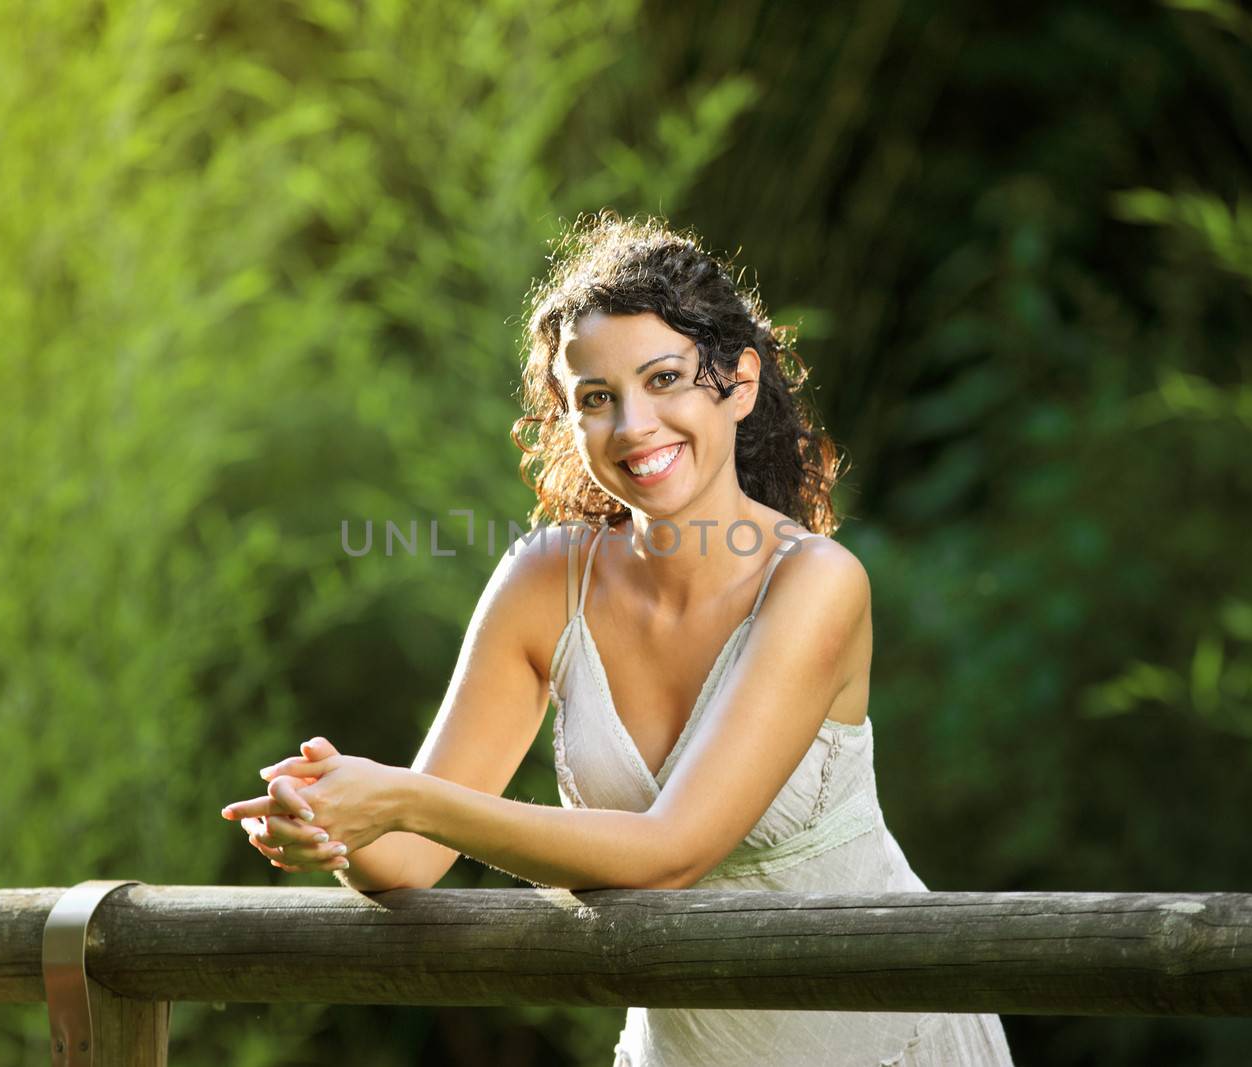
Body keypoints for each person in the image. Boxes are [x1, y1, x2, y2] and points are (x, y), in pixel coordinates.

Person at [222, 212, 1016, 1065]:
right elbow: (410, 859)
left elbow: (671, 852)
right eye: (596, 398)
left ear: (740, 383)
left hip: (884, 1044)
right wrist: (336, 824)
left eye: (665, 377)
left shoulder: (816, 581)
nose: (634, 425)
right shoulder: (544, 581)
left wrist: (403, 797)